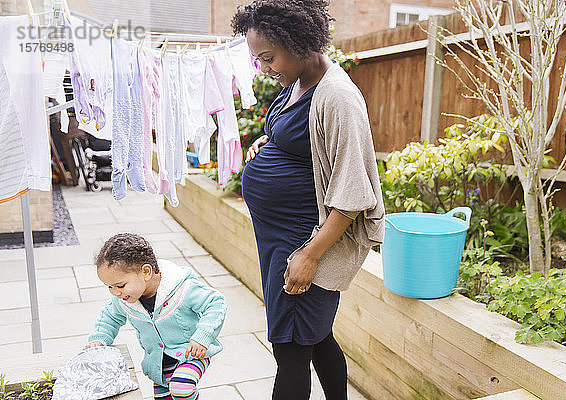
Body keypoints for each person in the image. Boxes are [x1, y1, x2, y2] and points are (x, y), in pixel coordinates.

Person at [232, 1, 385, 399]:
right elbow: (302, 141)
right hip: (280, 238)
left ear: (297, 42)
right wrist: (269, 145)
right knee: (315, 338)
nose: (265, 68)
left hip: (305, 241)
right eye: (259, 59)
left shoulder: (338, 97)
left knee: (291, 350)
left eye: (268, 57)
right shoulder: (299, 82)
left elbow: (352, 194)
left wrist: (310, 256)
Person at [84, 233, 227, 400]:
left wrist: (202, 336)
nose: (115, 292)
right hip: (158, 364)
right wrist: (100, 339)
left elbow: (216, 303)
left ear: (146, 272)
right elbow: (110, 318)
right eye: (110, 287)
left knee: (181, 387)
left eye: (120, 285)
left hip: (191, 353)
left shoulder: (182, 289)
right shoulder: (123, 300)